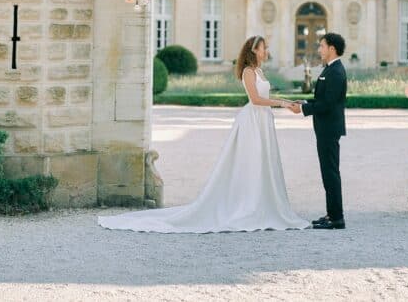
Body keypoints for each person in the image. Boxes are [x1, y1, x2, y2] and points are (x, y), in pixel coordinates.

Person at [98, 36, 309, 233]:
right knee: (251, 162)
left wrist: (289, 102)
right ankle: (249, 206)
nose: (267, 51)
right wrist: (283, 104)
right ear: (255, 50)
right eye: (264, 48)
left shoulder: (259, 71)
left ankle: (262, 204)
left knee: (263, 162)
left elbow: (265, 95)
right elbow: (255, 99)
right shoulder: (248, 71)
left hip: (263, 120)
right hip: (253, 121)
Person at [290, 33, 347, 230]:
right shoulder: (330, 70)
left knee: (330, 172)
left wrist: (304, 109)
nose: (319, 50)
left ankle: (337, 218)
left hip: (329, 129)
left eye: (322, 46)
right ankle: (331, 214)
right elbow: (323, 100)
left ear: (331, 48)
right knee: (327, 172)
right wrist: (305, 103)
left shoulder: (336, 72)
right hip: (325, 128)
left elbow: (329, 104)